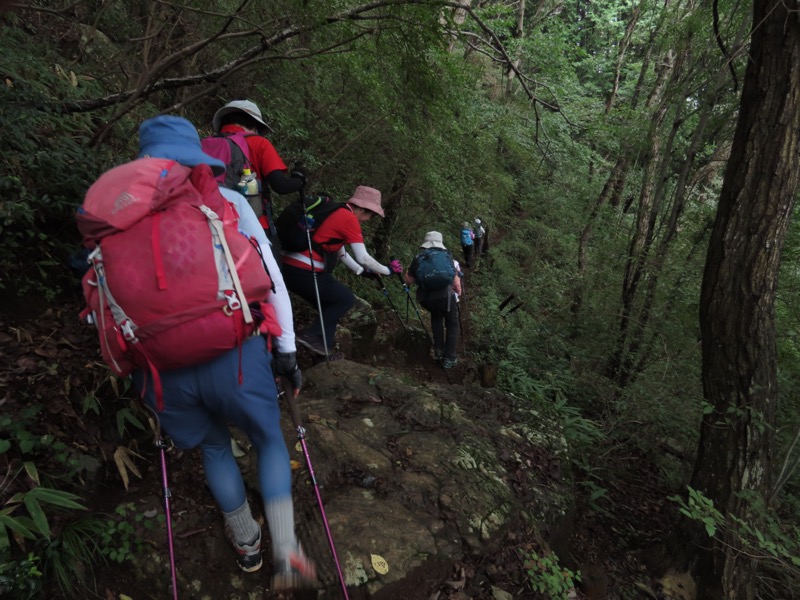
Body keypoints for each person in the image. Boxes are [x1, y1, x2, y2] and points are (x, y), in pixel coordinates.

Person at [133, 115, 316, 589]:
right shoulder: (228, 201)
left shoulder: (121, 213)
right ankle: (285, 548)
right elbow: (268, 278)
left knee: (214, 446)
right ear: (200, 157)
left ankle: (246, 544)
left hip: (164, 370)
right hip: (233, 354)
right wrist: (288, 350)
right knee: (269, 440)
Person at [282, 185, 401, 358]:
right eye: (371, 215)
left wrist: (363, 272)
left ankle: (323, 355)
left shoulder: (335, 212)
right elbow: (364, 257)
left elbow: (342, 253)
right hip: (305, 270)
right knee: (345, 299)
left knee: (330, 307)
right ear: (362, 209)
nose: (368, 219)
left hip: (290, 268)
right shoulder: (348, 218)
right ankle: (310, 334)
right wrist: (388, 271)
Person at [211, 99, 305, 261]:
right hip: (252, 224)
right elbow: (281, 186)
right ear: (255, 125)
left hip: (210, 220)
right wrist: (299, 180)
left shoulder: (207, 143)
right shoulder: (259, 143)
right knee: (269, 280)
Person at [404, 231, 462, 369]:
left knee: (436, 318)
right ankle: (449, 358)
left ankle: (438, 352)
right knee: (452, 324)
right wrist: (458, 292)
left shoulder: (418, 258)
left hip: (428, 299)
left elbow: (409, 280)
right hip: (446, 297)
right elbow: (456, 283)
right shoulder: (447, 256)